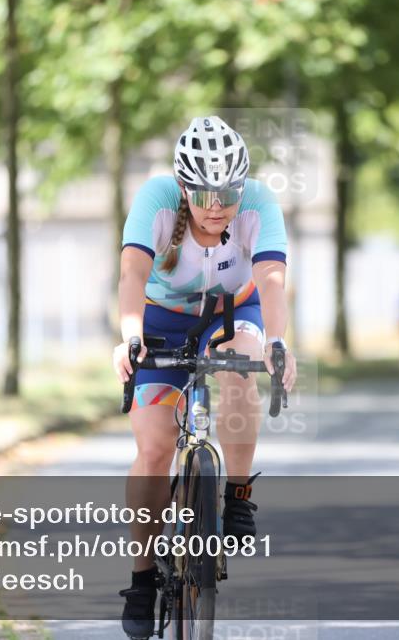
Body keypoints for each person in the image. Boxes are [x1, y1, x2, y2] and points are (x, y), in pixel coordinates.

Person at [112, 115, 297, 639]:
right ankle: (142, 579)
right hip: (161, 318)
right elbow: (131, 273)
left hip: (231, 312)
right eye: (205, 192)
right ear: (184, 187)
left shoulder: (259, 204)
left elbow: (272, 279)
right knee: (153, 446)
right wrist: (130, 335)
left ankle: (237, 494)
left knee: (241, 373)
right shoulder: (155, 200)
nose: (218, 204)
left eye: (228, 192)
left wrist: (278, 344)